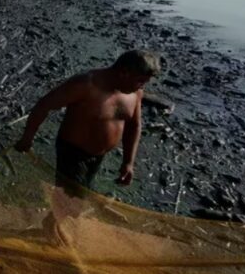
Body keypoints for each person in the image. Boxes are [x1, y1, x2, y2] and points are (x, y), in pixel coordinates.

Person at [15, 50, 161, 195]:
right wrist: (27, 138)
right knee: (71, 200)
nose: (142, 86)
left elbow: (134, 125)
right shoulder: (86, 84)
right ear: (124, 72)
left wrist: (128, 162)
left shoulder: (135, 93)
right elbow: (44, 105)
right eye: (141, 81)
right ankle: (56, 216)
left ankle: (55, 216)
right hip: (73, 154)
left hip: (98, 156)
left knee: (79, 194)